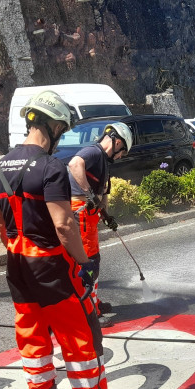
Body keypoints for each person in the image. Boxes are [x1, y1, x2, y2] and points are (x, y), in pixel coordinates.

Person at [0, 91, 136, 389]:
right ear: (53, 125)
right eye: (62, 130)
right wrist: (83, 265)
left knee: (33, 338)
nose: (61, 138)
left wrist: (18, 249)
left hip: (17, 268)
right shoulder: (49, 167)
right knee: (81, 340)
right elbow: (64, 225)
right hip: (52, 268)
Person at [67, 121, 132, 324]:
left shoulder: (102, 161)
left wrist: (106, 215)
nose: (120, 156)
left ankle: (93, 303)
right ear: (117, 142)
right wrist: (89, 194)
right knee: (88, 263)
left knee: (93, 261)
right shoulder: (93, 152)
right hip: (82, 213)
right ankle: (88, 312)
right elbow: (74, 164)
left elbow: (102, 193)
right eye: (122, 152)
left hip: (91, 215)